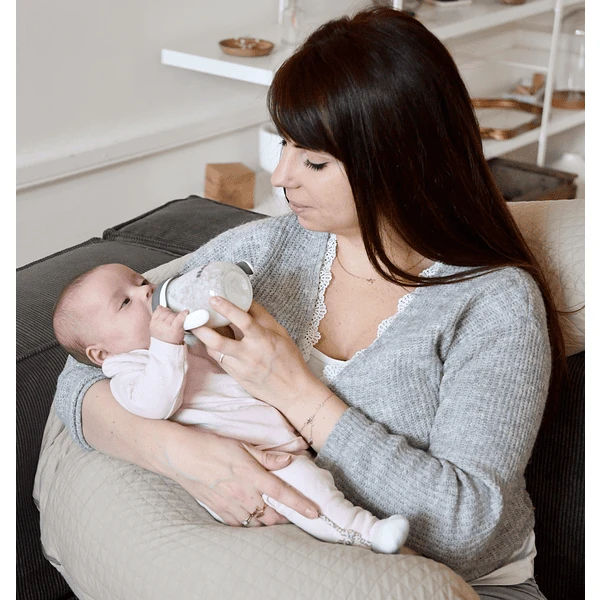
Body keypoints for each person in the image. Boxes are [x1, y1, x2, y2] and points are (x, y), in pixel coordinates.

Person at [53, 7, 565, 599]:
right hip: (286, 560)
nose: (279, 176)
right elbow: (85, 357)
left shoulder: (491, 303)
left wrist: (297, 393)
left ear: (398, 161)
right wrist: (184, 456)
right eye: (285, 145)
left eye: (314, 161)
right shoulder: (267, 248)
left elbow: (466, 533)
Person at [51, 262, 411, 553]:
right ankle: (365, 532)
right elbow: (156, 402)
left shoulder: (176, 339)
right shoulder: (127, 372)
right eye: (125, 303)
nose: (145, 291)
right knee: (313, 491)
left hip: (276, 439)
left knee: (319, 482)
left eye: (140, 281)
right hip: (250, 461)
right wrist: (166, 345)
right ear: (102, 354)